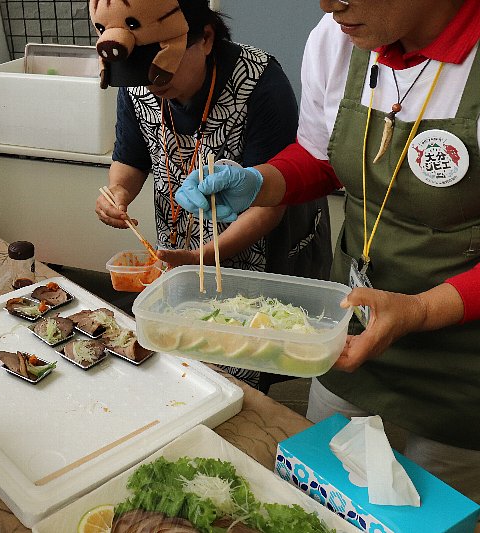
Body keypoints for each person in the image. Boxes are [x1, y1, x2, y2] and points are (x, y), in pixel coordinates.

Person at [176, 0, 480, 501]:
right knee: (320, 486)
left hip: (464, 365)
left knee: (430, 508)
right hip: (348, 326)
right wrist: (261, 181)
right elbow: (323, 157)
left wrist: (421, 309)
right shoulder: (339, 40)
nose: (328, 3)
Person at [93, 0, 332, 389]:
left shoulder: (258, 81)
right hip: (179, 250)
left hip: (256, 255)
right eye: (143, 78)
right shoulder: (138, 81)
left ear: (204, 38)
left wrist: (198, 259)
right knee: (182, 365)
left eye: (161, 72)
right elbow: (130, 158)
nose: (152, 86)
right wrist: (117, 192)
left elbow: (270, 203)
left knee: (240, 368)